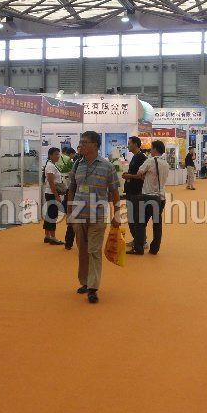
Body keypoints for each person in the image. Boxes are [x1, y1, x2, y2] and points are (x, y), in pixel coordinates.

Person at [66, 130, 121, 304]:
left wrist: (117, 214)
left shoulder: (107, 166)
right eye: (80, 142)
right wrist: (69, 212)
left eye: (84, 142)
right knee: (82, 251)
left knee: (94, 251)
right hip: (79, 215)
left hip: (97, 216)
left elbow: (114, 192)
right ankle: (85, 282)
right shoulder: (77, 165)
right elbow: (71, 189)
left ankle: (93, 287)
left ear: (95, 145)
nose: (80, 145)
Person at [129, 140, 170, 255]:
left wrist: (143, 175)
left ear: (155, 149)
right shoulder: (166, 163)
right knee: (157, 225)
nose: (150, 150)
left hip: (148, 196)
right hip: (161, 197)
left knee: (140, 223)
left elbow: (139, 173)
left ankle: (139, 248)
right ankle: (154, 249)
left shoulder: (150, 161)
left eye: (151, 148)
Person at [121, 136, 147, 249]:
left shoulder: (141, 157)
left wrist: (129, 176)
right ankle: (137, 239)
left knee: (136, 218)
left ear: (135, 144)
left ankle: (142, 241)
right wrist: (128, 174)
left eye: (129, 143)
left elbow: (142, 176)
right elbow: (135, 173)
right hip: (131, 191)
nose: (128, 146)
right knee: (132, 218)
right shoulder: (135, 157)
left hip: (137, 192)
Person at [42, 147, 64, 245]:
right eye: (56, 154)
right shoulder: (50, 166)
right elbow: (51, 182)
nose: (58, 156)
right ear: (50, 155)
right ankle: (53, 237)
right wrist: (56, 195)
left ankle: (47, 236)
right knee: (53, 216)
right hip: (52, 193)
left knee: (49, 215)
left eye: (58, 154)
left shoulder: (51, 165)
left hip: (50, 193)